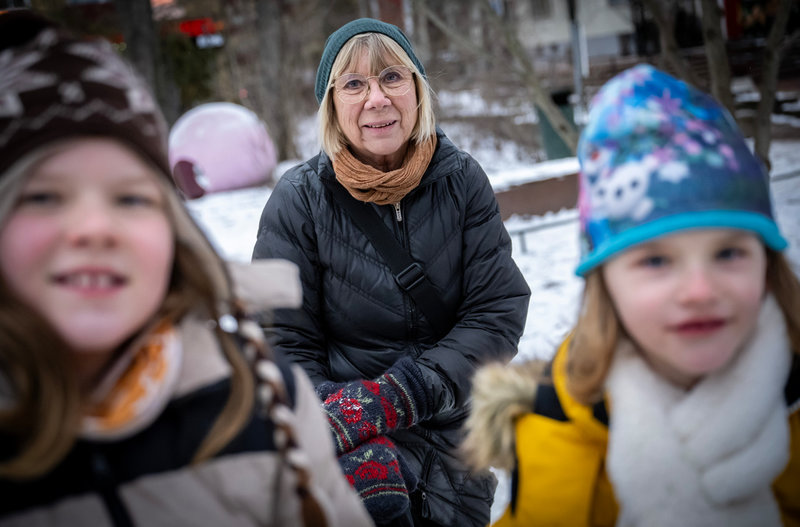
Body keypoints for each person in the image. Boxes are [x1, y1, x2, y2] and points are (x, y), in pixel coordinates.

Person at [0, 11, 372, 527]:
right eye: (42, 197)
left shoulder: (263, 403)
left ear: (173, 230)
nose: (93, 228)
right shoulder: (299, 199)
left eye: (130, 197)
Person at [463, 64, 800, 527]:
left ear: (768, 262)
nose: (699, 291)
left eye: (728, 253)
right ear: (604, 282)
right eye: (656, 261)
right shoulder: (553, 439)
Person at [253, 17, 530, 527]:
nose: (376, 98)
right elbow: (281, 346)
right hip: (352, 463)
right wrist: (350, 430)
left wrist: (404, 394)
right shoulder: (299, 200)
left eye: (392, 78)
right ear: (332, 103)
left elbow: (495, 313)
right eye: (354, 84)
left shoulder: (461, 179)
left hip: (455, 451)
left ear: (418, 92)